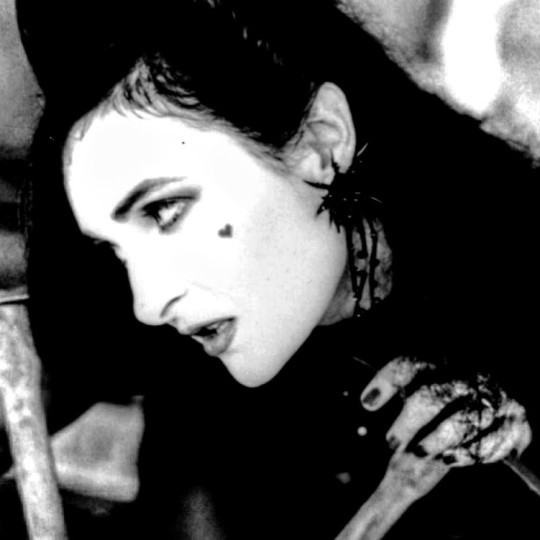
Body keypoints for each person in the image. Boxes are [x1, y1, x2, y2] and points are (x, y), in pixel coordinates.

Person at [18, 0, 539, 538]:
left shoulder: (515, 288)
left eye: (165, 211)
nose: (147, 305)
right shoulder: (181, 334)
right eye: (116, 249)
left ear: (322, 142)